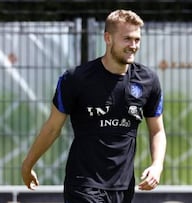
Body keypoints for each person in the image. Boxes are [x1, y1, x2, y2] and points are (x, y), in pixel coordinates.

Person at [21, 9, 167, 203]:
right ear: (108, 38)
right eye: (127, 39)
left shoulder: (148, 80)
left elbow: (157, 130)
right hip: (83, 184)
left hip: (123, 188)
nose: (133, 45)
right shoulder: (75, 79)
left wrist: (157, 165)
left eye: (137, 40)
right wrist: (27, 165)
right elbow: (52, 128)